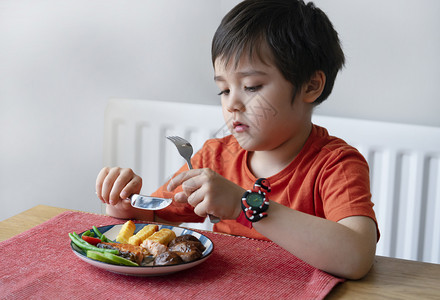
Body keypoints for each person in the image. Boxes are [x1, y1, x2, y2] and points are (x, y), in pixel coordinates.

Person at [96, 0, 379, 280]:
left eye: (251, 86)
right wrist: (124, 205)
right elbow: (150, 221)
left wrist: (246, 206)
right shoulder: (214, 158)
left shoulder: (337, 165)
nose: (232, 104)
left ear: (311, 86)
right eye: (224, 90)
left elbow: (355, 257)